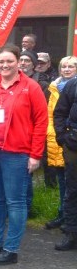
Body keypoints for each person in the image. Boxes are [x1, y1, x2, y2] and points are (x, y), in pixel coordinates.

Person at [0, 45, 49, 265]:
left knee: (15, 202)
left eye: (10, 61)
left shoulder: (30, 87)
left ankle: (11, 249)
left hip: (17, 153)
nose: (5, 66)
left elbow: (41, 122)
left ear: (18, 63)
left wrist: (35, 155)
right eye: (1, 62)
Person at [44, 56, 76, 230]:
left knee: (71, 182)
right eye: (64, 66)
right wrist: (57, 135)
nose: (67, 69)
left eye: (71, 66)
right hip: (58, 138)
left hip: (70, 140)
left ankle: (69, 218)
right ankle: (63, 215)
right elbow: (52, 114)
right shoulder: (54, 87)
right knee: (63, 181)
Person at [52, 69, 77, 251]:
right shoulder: (72, 85)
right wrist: (62, 138)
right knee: (73, 191)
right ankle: (72, 234)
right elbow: (59, 112)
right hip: (74, 145)